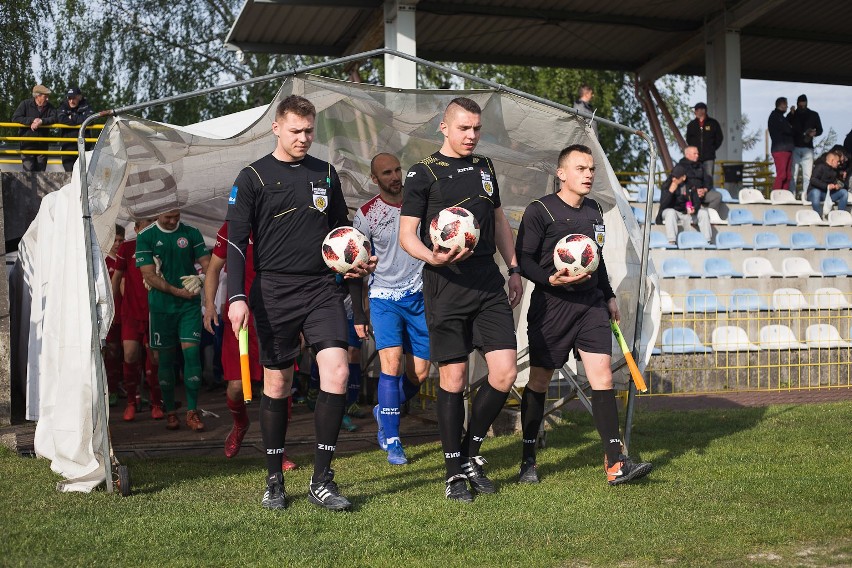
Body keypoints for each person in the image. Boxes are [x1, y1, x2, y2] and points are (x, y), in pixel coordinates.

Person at [226, 95, 376, 511]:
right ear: (276, 128)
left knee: (338, 372)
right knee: (278, 384)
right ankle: (274, 477)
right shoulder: (252, 176)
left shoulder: (325, 174)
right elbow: (236, 243)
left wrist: (358, 257)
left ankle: (322, 479)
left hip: (321, 290)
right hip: (273, 292)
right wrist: (236, 295)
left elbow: (342, 231)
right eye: (295, 131)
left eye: (309, 131)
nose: (303, 138)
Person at [399, 97, 523, 502]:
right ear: (444, 127)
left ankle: (470, 451)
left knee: (504, 372)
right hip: (445, 282)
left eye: (476, 129)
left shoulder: (486, 167)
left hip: (487, 279)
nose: (471, 136)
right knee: (452, 379)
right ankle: (455, 474)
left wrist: (515, 268)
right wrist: (431, 255)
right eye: (464, 128)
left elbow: (501, 220)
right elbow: (407, 235)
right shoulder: (422, 174)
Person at [515, 144, 652, 485]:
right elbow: (524, 259)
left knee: (602, 376)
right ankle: (528, 458)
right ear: (561, 174)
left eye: (591, 168)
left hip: (590, 306)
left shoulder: (593, 211)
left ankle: (615, 462)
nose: (589, 174)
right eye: (581, 168)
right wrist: (549, 278)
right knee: (539, 382)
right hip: (552, 308)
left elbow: (597, 258)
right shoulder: (539, 211)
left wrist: (607, 295)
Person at [353, 153, 430, 466]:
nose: (395, 176)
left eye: (398, 169)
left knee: (421, 373)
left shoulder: (420, 203)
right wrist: (359, 314)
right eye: (387, 173)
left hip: (420, 297)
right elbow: (356, 266)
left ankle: (384, 409)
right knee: (391, 364)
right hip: (384, 298)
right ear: (375, 179)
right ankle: (394, 440)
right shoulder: (366, 213)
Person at [203, 221, 297, 469]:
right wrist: (210, 305)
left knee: (279, 385)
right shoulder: (231, 227)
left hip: (275, 315)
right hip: (239, 317)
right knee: (236, 387)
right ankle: (240, 424)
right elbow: (213, 269)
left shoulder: (280, 221)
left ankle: (278, 449)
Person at [136, 209, 210, 431]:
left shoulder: (191, 233)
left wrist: (202, 277)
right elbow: (148, 275)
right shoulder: (145, 235)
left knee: (191, 353)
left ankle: (192, 411)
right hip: (161, 307)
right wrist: (178, 292)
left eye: (176, 216)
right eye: (168, 217)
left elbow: (208, 263)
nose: (172, 221)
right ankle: (170, 411)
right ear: (159, 213)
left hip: (189, 306)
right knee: (164, 360)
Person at [112, 218, 164, 422]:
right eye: (146, 226)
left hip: (155, 313)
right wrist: (113, 308)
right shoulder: (127, 247)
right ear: (136, 228)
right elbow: (117, 278)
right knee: (130, 355)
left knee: (155, 359)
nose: (150, 229)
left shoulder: (162, 246)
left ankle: (156, 402)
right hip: (131, 313)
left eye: (153, 225)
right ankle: (132, 402)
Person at [655, 153, 712, 246]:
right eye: (673, 176)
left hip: (687, 213)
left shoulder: (689, 186)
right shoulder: (667, 185)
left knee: (703, 213)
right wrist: (670, 192)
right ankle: (671, 241)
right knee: (670, 212)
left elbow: (696, 201)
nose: (674, 179)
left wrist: (694, 209)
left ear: (684, 177)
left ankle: (707, 241)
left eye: (677, 177)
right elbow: (663, 205)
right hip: (672, 212)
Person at [104, 225, 126, 406]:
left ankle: (123, 386)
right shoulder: (103, 262)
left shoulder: (126, 260)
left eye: (121, 240)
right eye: (115, 240)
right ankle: (110, 389)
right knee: (112, 352)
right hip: (111, 316)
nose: (118, 244)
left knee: (127, 353)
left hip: (127, 314)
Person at [11, 84, 57, 172]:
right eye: (45, 96)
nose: (47, 98)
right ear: (37, 96)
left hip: (42, 145)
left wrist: (41, 121)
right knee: (28, 173)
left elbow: (55, 118)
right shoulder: (25, 104)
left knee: (41, 174)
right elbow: (15, 118)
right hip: (27, 145)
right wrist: (31, 121)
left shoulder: (50, 107)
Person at [788, 94, 823, 198]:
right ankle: (792, 196)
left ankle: (806, 196)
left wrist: (814, 133)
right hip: (795, 147)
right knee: (793, 175)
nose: (802, 105)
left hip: (808, 147)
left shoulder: (813, 114)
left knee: (807, 175)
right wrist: (791, 113)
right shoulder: (793, 114)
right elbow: (786, 123)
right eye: (800, 103)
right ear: (798, 103)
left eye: (804, 102)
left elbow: (820, 130)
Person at [685, 102, 723, 189]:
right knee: (695, 175)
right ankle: (696, 195)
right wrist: (694, 151)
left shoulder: (713, 123)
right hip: (695, 157)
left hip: (709, 156)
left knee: (708, 176)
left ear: (704, 111)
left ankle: (708, 194)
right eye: (696, 110)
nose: (698, 112)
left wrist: (712, 148)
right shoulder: (691, 125)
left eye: (700, 110)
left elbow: (719, 138)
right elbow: (688, 139)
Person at [56, 86, 93, 172]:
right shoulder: (63, 106)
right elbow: (61, 119)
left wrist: (71, 118)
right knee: (70, 175)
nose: (71, 101)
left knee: (84, 174)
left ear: (79, 97)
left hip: (84, 147)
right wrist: (80, 119)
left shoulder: (86, 105)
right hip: (67, 147)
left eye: (74, 98)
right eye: (69, 98)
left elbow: (90, 120)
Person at [807, 150, 847, 215]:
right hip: (814, 194)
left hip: (827, 195)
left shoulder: (835, 171)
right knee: (816, 192)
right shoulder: (820, 167)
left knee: (844, 192)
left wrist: (838, 185)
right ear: (832, 160)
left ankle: (840, 215)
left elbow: (842, 184)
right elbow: (813, 180)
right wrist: (827, 186)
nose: (839, 163)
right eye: (837, 161)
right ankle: (818, 215)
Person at [768, 97, 794, 190]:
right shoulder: (775, 117)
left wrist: (790, 115)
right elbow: (786, 129)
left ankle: (784, 194)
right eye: (786, 104)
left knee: (788, 176)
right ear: (782, 105)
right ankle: (776, 194)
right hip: (780, 149)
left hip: (787, 148)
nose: (787, 106)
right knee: (782, 175)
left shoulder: (781, 117)